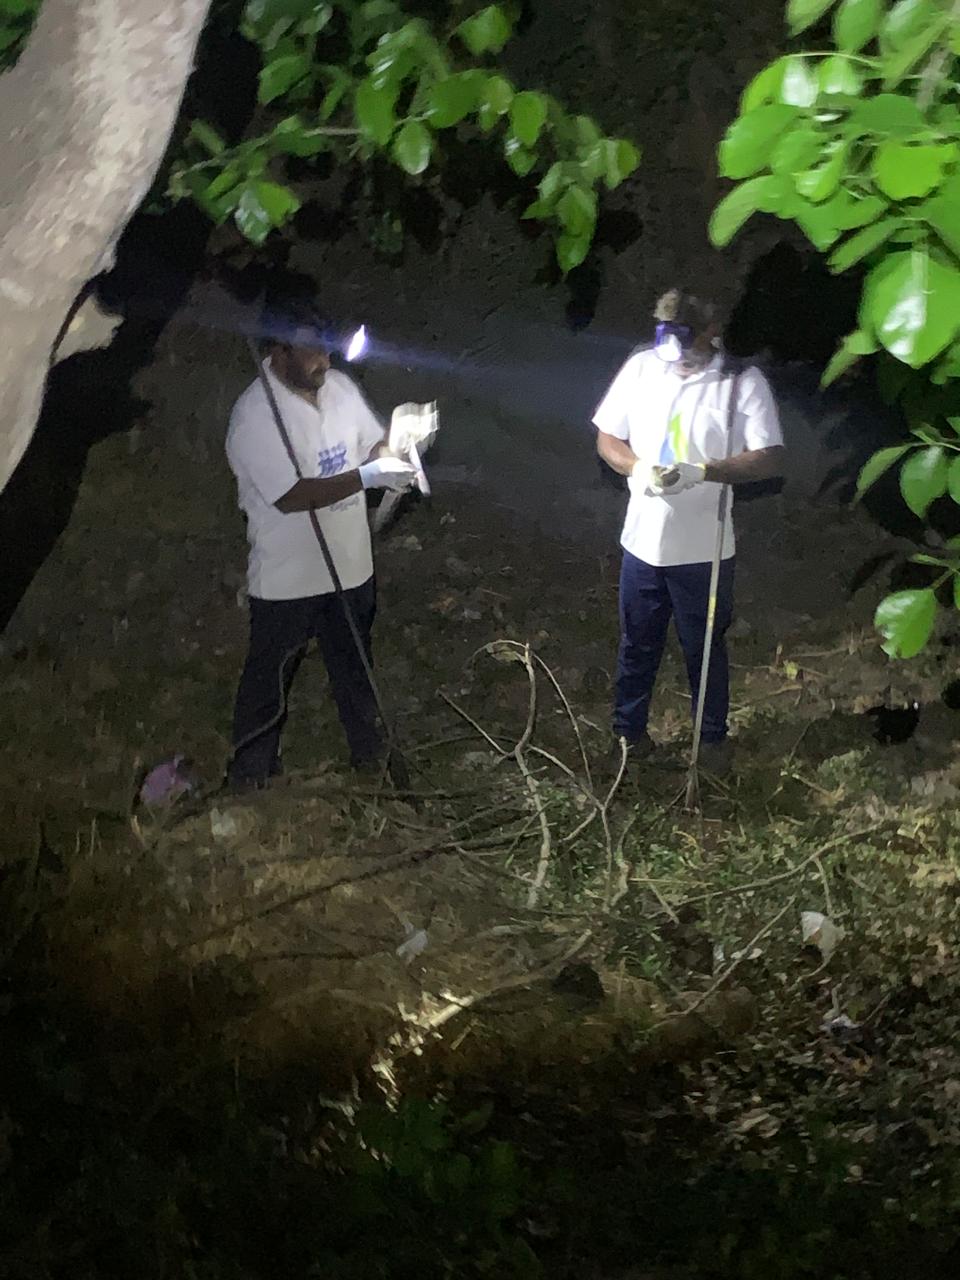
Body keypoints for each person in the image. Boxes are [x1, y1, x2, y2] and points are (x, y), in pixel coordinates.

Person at [224, 296, 417, 789]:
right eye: (311, 351)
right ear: (278, 351)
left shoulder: (341, 390)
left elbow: (372, 444)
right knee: (270, 678)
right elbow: (293, 496)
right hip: (288, 580)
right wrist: (368, 477)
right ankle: (250, 774)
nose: (324, 362)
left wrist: (396, 446)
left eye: (327, 350)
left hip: (351, 567)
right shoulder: (255, 415)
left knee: (355, 666)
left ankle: (371, 760)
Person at [593, 288, 785, 774]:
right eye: (666, 339)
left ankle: (711, 741)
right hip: (642, 541)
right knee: (637, 642)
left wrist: (703, 472)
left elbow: (769, 457)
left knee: (704, 648)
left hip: (704, 548)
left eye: (685, 340)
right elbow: (608, 436)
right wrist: (636, 467)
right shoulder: (642, 367)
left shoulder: (740, 382)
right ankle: (628, 738)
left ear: (710, 331)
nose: (675, 352)